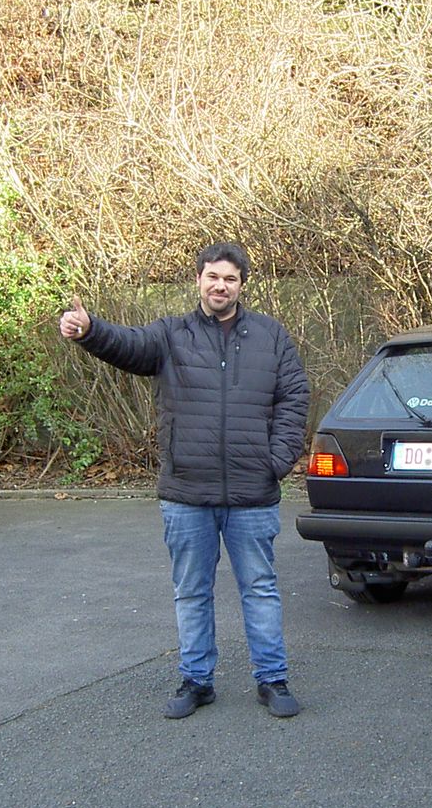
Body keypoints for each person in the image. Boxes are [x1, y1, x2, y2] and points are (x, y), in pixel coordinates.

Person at [58, 242, 311, 719]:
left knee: (259, 589)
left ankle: (272, 680)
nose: (221, 286)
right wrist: (90, 331)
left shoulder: (271, 336)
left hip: (252, 492)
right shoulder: (171, 335)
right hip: (186, 492)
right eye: (213, 277)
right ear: (198, 280)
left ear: (242, 285)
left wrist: (275, 460)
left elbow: (294, 397)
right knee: (192, 592)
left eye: (230, 279)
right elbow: (129, 346)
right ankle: (197, 681)